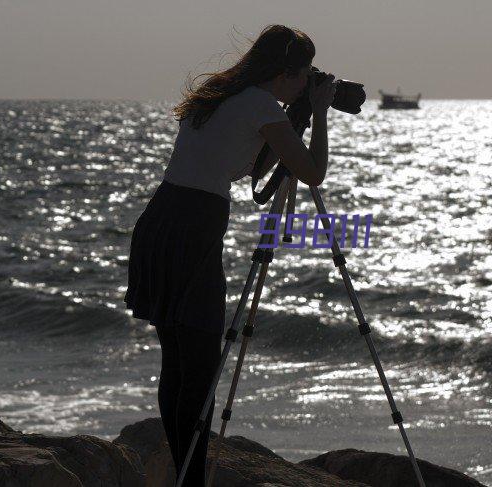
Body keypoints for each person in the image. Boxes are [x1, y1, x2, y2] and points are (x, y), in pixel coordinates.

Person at [123, 24, 336, 486]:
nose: (307, 83)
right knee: (199, 370)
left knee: (178, 362)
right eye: (304, 76)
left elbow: (247, 168)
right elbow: (313, 173)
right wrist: (318, 113)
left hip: (163, 219)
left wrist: (291, 118)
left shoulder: (220, 94)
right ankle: (191, 479)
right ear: (285, 73)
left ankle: (185, 474)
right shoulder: (260, 104)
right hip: (194, 227)